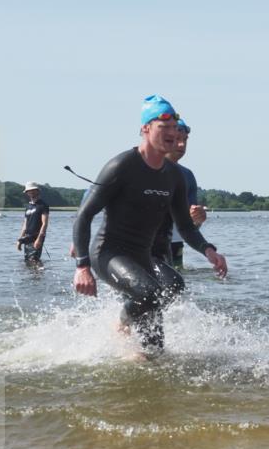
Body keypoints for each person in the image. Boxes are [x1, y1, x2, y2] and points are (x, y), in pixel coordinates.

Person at [72, 95, 228, 353]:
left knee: (159, 334)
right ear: (145, 128)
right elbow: (84, 215)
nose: (172, 133)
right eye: (163, 126)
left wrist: (208, 250)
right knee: (149, 292)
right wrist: (82, 266)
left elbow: (185, 226)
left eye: (174, 127)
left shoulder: (174, 176)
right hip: (109, 253)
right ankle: (121, 325)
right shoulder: (122, 166)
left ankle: (140, 351)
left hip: (144, 256)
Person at [151, 119, 205, 268]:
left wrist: (198, 219)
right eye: (176, 139)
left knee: (176, 281)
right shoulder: (141, 168)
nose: (182, 145)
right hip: (141, 245)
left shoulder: (187, 175)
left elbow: (190, 227)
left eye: (185, 140)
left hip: (174, 244)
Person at [16, 182, 49, 263]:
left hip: (36, 236)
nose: (31, 192)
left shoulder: (43, 205)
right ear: (27, 193)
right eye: (29, 191)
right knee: (27, 261)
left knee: (34, 260)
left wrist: (39, 239)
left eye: (33, 190)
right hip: (27, 237)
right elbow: (25, 225)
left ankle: (40, 271)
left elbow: (44, 223)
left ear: (37, 191)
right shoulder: (28, 206)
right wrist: (20, 239)